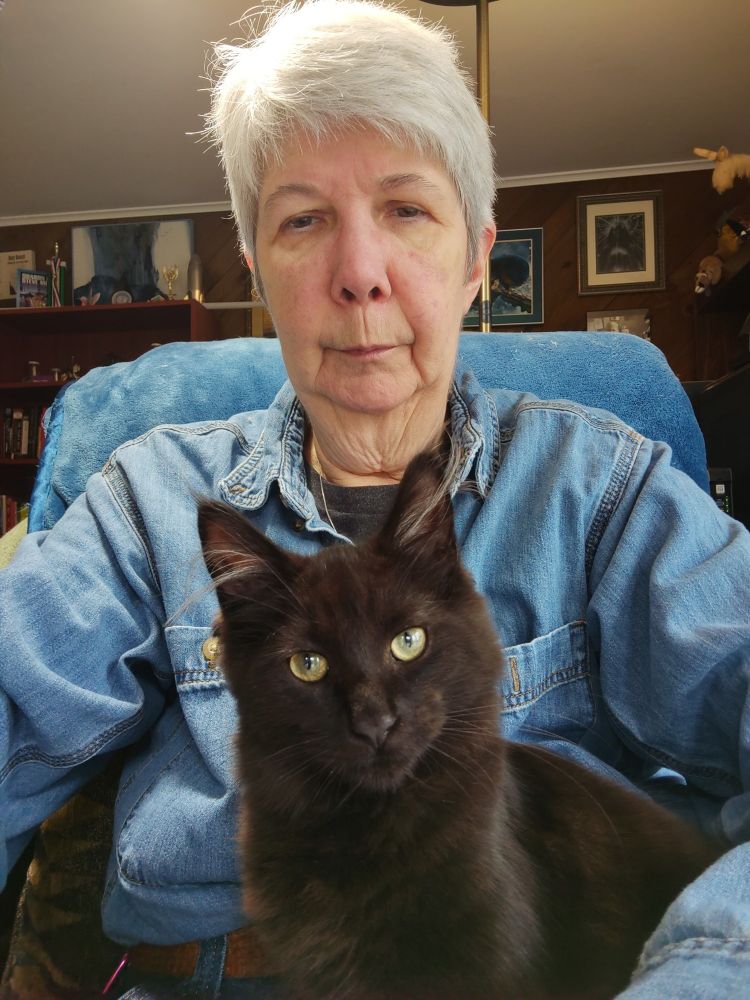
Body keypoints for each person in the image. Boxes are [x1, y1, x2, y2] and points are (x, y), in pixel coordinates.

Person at [1, 2, 749, 997]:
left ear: (477, 260)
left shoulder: (599, 489)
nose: (358, 276)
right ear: (261, 267)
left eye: (406, 211)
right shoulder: (151, 497)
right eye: (304, 221)